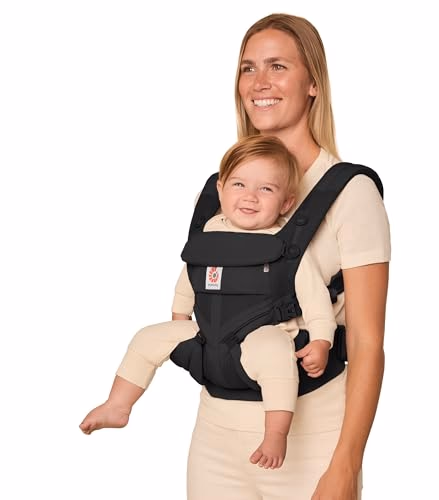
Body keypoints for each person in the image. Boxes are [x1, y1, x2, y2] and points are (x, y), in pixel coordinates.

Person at [84, 12, 390, 500]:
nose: (259, 82)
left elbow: (368, 343)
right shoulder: (220, 191)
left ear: (313, 83)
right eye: (248, 68)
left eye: (277, 66)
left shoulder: (349, 193)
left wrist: (345, 465)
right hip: (216, 438)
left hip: (313, 439)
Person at [80, 134, 338, 470]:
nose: (250, 196)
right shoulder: (210, 234)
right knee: (147, 337)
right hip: (209, 338)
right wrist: (179, 319)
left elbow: (316, 302)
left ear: (287, 203)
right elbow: (190, 280)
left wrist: (321, 341)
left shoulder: (288, 248)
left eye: (266, 189)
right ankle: (118, 405)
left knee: (276, 352)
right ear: (220, 189)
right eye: (239, 184)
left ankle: (275, 433)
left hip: (261, 340)